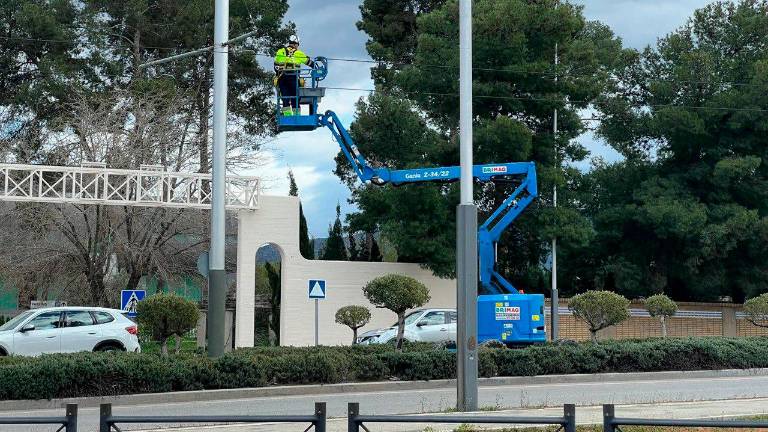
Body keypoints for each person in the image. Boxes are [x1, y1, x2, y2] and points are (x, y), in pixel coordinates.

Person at [274, 35, 314, 116]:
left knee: (285, 98)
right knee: (295, 99)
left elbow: (275, 67)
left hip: (282, 78)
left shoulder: (280, 51)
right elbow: (310, 63)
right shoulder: (298, 53)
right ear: (296, 44)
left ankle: (287, 117)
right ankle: (297, 116)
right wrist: (317, 67)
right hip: (293, 78)